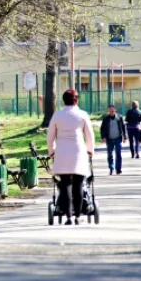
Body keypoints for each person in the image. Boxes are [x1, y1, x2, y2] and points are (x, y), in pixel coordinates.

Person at [47, 89, 95, 225]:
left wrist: (52, 151)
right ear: (76, 100)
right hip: (78, 152)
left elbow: (50, 137)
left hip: (62, 152)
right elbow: (89, 136)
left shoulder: (57, 116)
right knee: (79, 185)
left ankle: (68, 216)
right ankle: (78, 216)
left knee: (65, 184)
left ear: (64, 100)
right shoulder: (82, 115)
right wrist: (90, 150)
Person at [100, 104, 126, 175]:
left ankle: (118, 169)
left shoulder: (119, 117)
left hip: (118, 138)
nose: (111, 112)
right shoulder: (106, 119)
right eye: (110, 111)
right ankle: (111, 168)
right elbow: (102, 129)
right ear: (108, 111)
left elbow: (123, 127)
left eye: (112, 111)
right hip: (109, 139)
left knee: (118, 154)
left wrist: (125, 137)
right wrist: (103, 137)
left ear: (115, 110)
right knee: (110, 155)